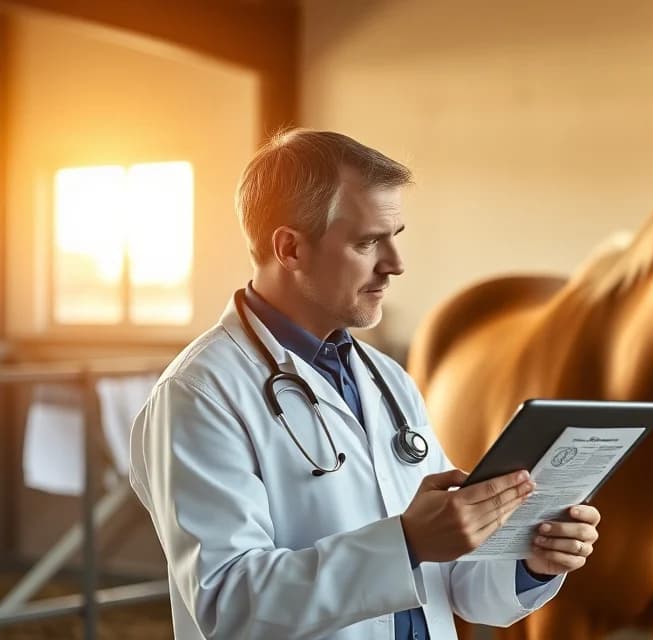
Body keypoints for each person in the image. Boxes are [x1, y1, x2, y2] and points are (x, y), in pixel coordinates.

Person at [128, 129, 601, 639]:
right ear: (289, 248)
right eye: (368, 241)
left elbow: (457, 586)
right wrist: (406, 544)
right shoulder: (200, 394)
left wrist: (532, 559)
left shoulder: (387, 380)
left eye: (396, 236)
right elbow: (229, 606)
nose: (395, 264)